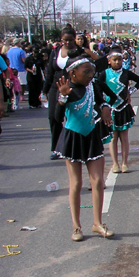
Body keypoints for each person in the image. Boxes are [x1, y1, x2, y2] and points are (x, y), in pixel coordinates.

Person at [53, 55, 118, 241]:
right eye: (86, 72)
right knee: (76, 184)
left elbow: (102, 100)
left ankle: (97, 223)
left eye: (92, 71)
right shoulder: (67, 90)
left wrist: (105, 107)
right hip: (73, 138)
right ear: (73, 73)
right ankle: (76, 226)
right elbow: (57, 118)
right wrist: (63, 97)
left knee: (97, 181)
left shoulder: (92, 86)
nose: (91, 75)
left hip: (92, 136)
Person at [101, 49, 139, 173]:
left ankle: (125, 163)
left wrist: (130, 91)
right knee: (113, 137)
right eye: (114, 60)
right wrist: (103, 101)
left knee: (124, 137)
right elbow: (98, 85)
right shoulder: (105, 73)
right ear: (109, 61)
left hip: (124, 107)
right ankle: (115, 163)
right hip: (111, 108)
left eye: (119, 59)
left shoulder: (126, 73)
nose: (117, 62)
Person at [43, 26, 81, 160]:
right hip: (56, 86)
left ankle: (76, 147)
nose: (67, 43)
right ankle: (56, 148)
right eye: (64, 40)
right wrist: (44, 91)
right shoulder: (56, 52)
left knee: (73, 118)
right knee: (54, 117)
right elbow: (49, 73)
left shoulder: (79, 51)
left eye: (70, 40)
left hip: (74, 87)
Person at [6, 39, 26, 104]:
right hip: (20, 68)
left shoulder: (8, 51)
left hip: (11, 69)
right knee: (22, 83)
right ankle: (21, 95)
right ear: (18, 43)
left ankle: (14, 96)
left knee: (14, 84)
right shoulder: (21, 51)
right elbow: (23, 60)